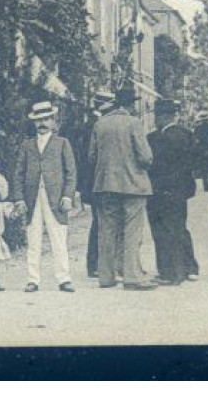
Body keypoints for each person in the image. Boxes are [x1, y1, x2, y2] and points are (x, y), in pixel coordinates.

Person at [88, 85, 155, 291]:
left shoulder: (100, 124)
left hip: (105, 185)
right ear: (129, 105)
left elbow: (91, 157)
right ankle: (132, 277)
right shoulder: (134, 123)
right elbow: (146, 157)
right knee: (132, 231)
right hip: (132, 186)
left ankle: (106, 277)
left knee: (106, 231)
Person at [12, 100, 79, 293]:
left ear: (52, 120)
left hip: (56, 198)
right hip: (32, 198)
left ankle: (64, 278)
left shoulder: (62, 143)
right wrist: (19, 198)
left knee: (58, 237)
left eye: (46, 119)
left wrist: (68, 196)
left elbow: (71, 173)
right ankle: (33, 279)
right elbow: (18, 173)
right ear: (34, 122)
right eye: (38, 120)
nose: (42, 123)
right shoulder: (27, 145)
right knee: (33, 239)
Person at [146, 98, 199, 285]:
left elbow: (151, 166)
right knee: (179, 228)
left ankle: (169, 272)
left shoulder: (154, 138)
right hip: (181, 191)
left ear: (162, 117)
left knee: (161, 231)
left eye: (156, 116)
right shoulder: (188, 134)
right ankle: (189, 268)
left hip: (159, 191)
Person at [79, 89, 116, 278]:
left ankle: (96, 264)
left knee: (99, 222)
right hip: (97, 181)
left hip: (93, 181)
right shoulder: (95, 125)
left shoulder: (92, 124)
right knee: (100, 223)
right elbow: (90, 157)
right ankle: (95, 264)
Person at [192, 109, 208, 194]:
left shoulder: (198, 127)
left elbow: (195, 139)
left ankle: (206, 185)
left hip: (201, 149)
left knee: (204, 168)